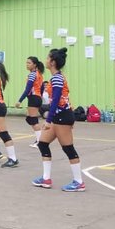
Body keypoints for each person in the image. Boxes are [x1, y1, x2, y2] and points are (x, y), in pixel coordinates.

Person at [32, 48, 84, 191]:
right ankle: (46, 179)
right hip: (58, 116)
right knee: (42, 144)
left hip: (61, 117)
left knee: (68, 148)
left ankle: (79, 182)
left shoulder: (57, 78)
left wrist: (48, 120)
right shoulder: (56, 77)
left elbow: (55, 101)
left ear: (53, 62)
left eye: (48, 58)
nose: (46, 60)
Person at [14, 56, 45, 148]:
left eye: (29, 63)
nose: (27, 65)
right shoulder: (39, 74)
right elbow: (42, 87)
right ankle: (39, 139)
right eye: (26, 63)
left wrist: (20, 100)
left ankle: (40, 142)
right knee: (29, 119)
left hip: (33, 98)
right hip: (36, 98)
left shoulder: (32, 75)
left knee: (33, 120)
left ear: (35, 64)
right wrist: (40, 97)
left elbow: (27, 89)